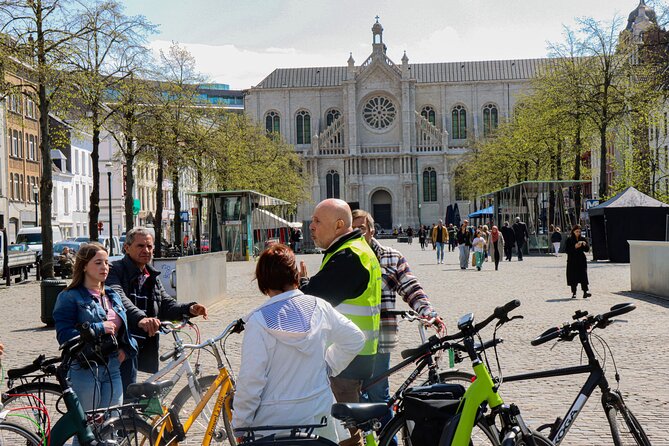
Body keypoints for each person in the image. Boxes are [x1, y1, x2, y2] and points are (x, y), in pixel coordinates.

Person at [233, 244, 364, 444]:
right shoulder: (319, 306)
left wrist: (241, 424)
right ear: (295, 275)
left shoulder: (258, 321)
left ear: (262, 280)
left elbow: (251, 380)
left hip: (273, 422)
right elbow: (355, 338)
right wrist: (328, 366)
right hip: (318, 415)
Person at [351, 210, 445, 439]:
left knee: (377, 396)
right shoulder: (344, 258)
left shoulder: (390, 257)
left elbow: (411, 288)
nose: (356, 234)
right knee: (352, 399)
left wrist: (428, 312)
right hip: (347, 342)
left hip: (379, 340)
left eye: (360, 229)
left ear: (372, 230)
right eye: (351, 230)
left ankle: (386, 441)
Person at [298, 199, 381, 409]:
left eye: (317, 221)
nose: (311, 226)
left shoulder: (349, 256)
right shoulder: (353, 249)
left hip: (345, 358)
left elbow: (313, 300)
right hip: (355, 354)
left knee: (345, 431)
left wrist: (302, 283)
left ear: (339, 225)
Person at [107, 227, 209, 392]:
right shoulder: (115, 270)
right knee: (122, 397)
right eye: (140, 246)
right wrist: (141, 318)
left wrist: (190, 308)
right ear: (126, 247)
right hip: (120, 343)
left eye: (149, 247)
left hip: (138, 344)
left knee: (131, 394)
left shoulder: (151, 275)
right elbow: (118, 298)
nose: (146, 250)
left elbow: (165, 304)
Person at [52, 242, 138, 435]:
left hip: (113, 367)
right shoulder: (69, 297)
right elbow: (64, 336)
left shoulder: (112, 295)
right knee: (87, 430)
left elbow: (126, 330)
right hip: (85, 369)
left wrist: (126, 349)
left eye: (107, 263)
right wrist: (99, 328)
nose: (104, 267)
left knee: (112, 425)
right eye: (98, 263)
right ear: (84, 266)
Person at [565, 224, 591, 299]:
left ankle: (585, 292)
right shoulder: (569, 240)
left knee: (583, 276)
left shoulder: (583, 239)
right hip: (572, 260)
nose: (578, 233)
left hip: (581, 260)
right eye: (576, 231)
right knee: (573, 277)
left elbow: (587, 249)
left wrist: (585, 244)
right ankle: (574, 293)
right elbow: (567, 250)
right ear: (573, 231)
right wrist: (575, 247)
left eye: (579, 232)